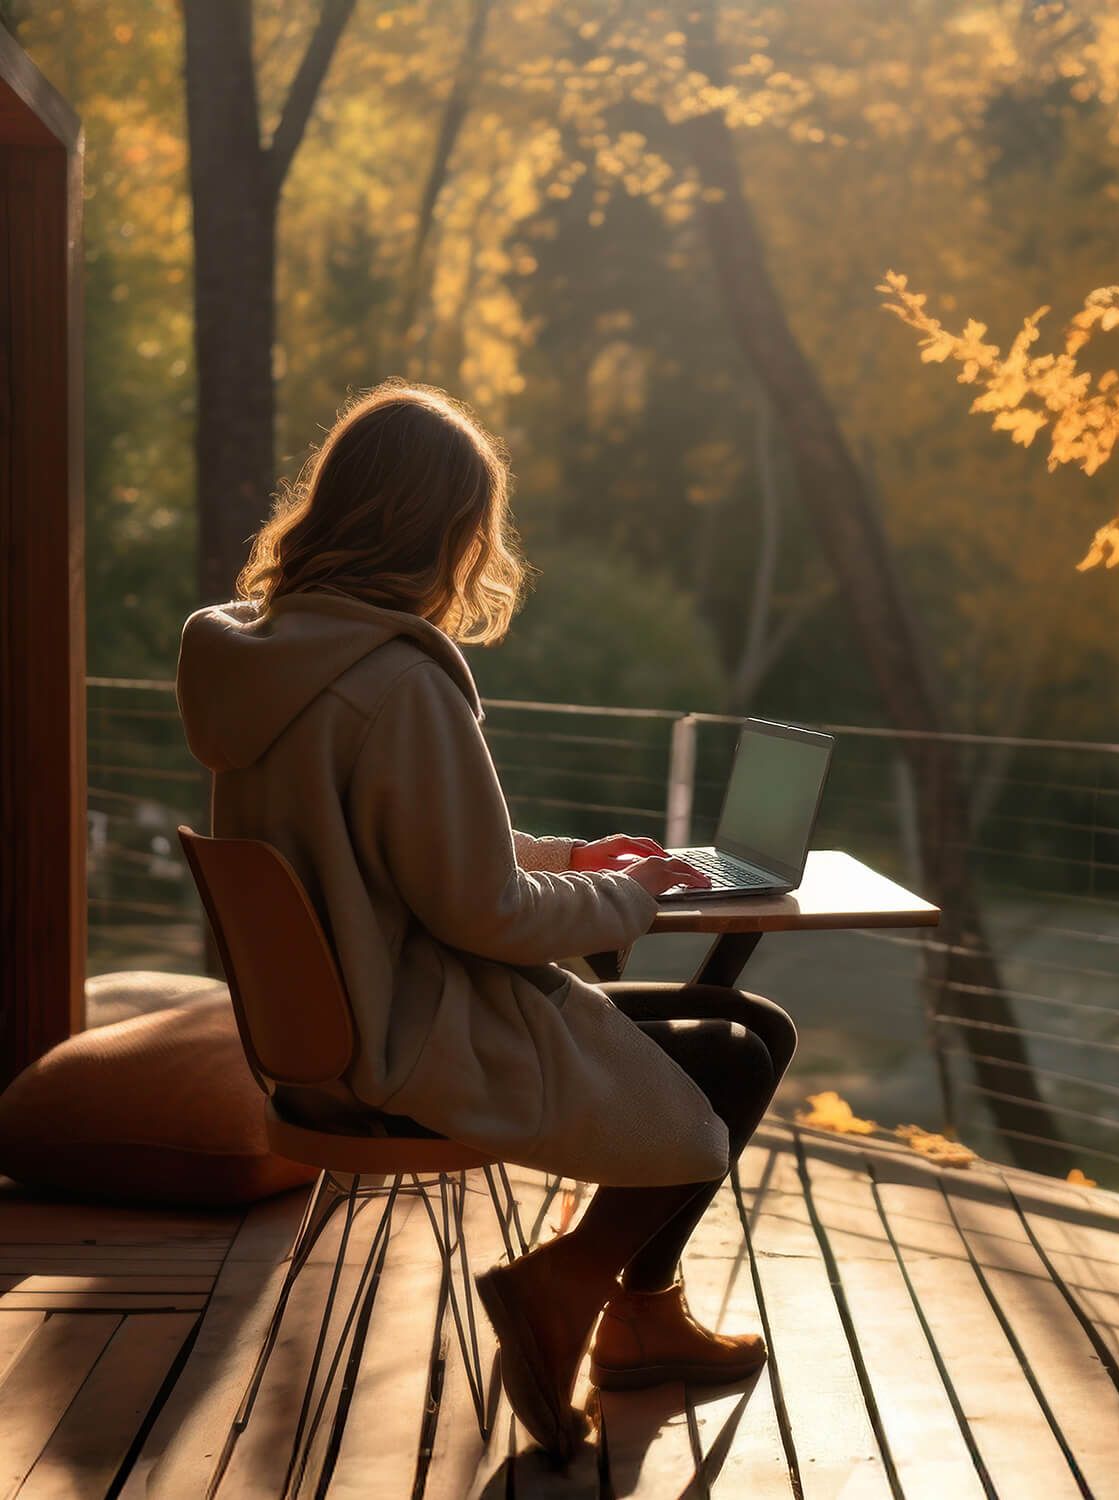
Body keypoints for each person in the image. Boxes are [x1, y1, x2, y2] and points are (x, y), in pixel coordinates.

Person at [176, 380, 796, 1457]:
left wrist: (575, 861)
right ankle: (565, 1287)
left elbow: (393, 849)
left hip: (337, 1023)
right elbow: (481, 913)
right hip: (411, 1029)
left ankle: (639, 1318)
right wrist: (636, 894)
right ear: (441, 532)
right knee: (731, 1059)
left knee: (754, 1030)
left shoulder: (266, 655)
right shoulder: (394, 684)